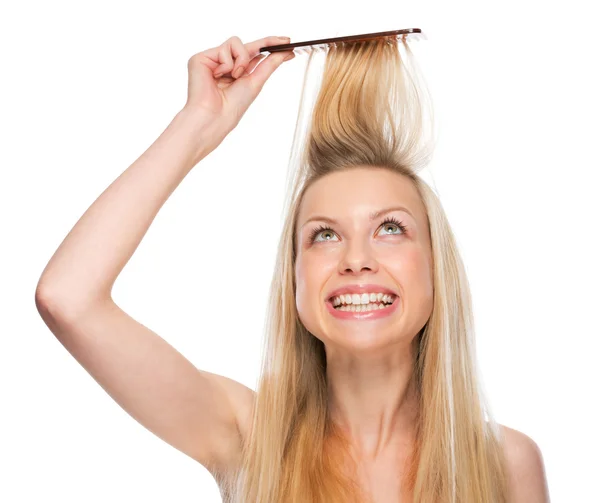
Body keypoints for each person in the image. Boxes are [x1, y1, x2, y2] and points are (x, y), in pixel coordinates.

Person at [35, 35, 550, 502]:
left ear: (439, 267)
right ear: (296, 280)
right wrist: (199, 125)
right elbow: (68, 298)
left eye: (390, 228)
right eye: (325, 235)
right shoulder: (249, 440)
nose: (356, 260)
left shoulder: (504, 465)